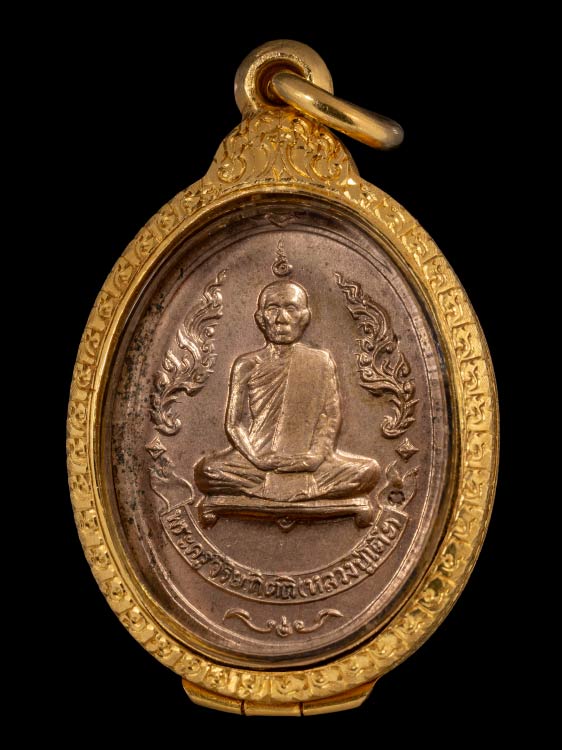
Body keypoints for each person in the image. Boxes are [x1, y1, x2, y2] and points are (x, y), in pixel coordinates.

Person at [194, 280, 379, 502]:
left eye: (291, 309)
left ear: (305, 317)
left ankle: (275, 492)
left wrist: (314, 458)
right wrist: (258, 459)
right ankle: (303, 492)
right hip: (258, 461)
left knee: (368, 471)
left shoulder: (320, 361)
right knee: (206, 471)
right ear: (260, 318)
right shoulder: (247, 364)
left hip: (306, 461)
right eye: (273, 309)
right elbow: (234, 424)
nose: (281, 319)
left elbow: (330, 415)